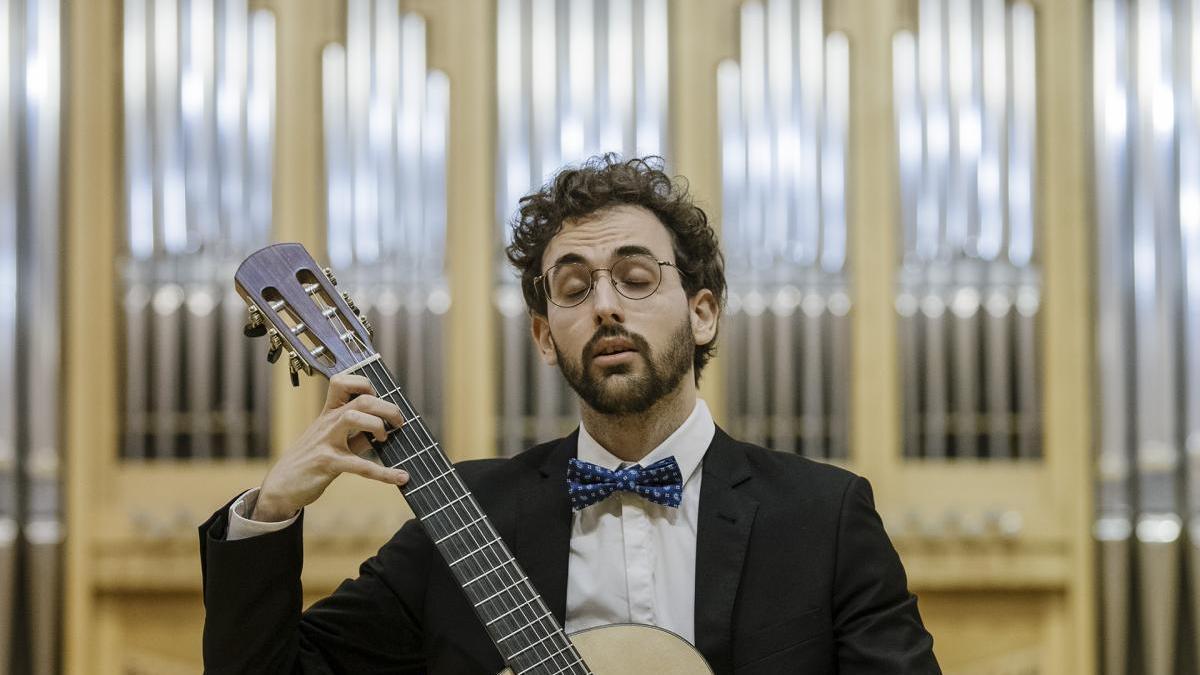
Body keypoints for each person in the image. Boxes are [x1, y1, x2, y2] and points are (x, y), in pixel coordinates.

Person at [199, 155, 940, 674]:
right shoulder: (462, 520)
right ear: (545, 336)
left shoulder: (824, 518)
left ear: (703, 311)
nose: (607, 303)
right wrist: (269, 511)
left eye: (636, 276)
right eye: (575, 287)